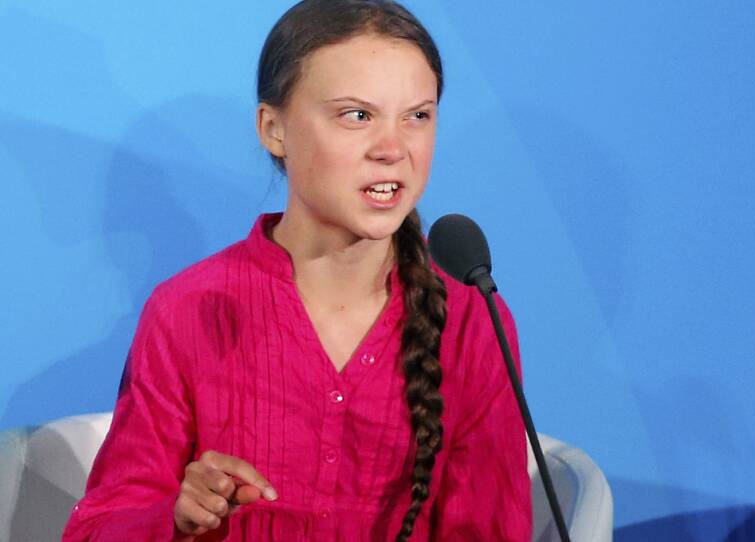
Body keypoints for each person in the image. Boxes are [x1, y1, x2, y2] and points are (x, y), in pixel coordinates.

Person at [60, 1, 532, 540]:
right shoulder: (187, 310)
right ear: (273, 129)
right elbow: (97, 528)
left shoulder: (472, 320)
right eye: (357, 115)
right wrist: (173, 516)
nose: (393, 149)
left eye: (417, 116)